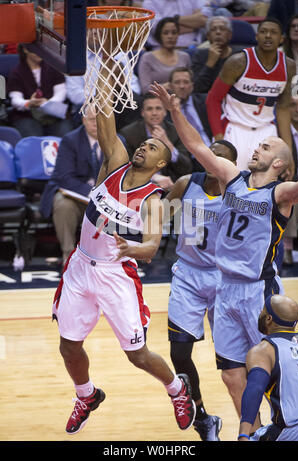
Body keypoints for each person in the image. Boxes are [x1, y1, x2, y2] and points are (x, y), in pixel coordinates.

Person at [52, 54, 196, 435]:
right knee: (68, 345)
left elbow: (150, 247)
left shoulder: (152, 199)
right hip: (81, 266)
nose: (142, 148)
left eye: (152, 148)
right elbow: (103, 113)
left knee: (137, 355)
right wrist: (103, 70)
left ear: (161, 163)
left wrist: (131, 249)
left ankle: (178, 390)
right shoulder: (114, 162)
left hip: (116, 273)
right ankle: (86, 394)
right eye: (143, 144)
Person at [150, 80, 298, 434]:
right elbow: (196, 145)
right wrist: (175, 110)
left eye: (264, 146)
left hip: (257, 290)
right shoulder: (233, 178)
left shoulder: (280, 194)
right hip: (224, 289)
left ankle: (291, 425)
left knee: (274, 364)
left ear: (278, 162)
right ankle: (256, 431)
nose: (256, 148)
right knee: (232, 373)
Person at [164, 139, 237, 441]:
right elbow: (156, 218)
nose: (212, 154)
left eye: (220, 154)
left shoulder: (238, 193)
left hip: (225, 279)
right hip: (188, 276)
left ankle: (265, 418)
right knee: (179, 353)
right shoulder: (185, 183)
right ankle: (204, 418)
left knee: (232, 360)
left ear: (231, 165)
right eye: (210, 149)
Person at [205, 18, 296, 175]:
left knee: (267, 187)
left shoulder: (289, 66)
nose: (268, 36)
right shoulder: (238, 62)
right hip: (235, 128)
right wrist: (220, 140)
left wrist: (289, 153)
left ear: (281, 39)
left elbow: (283, 108)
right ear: (256, 37)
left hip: (266, 130)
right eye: (263, 32)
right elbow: (212, 99)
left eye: (273, 32)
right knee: (228, 183)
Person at [39, 106, 103, 266]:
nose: (96, 124)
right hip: (76, 195)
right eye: (91, 120)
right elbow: (64, 177)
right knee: (63, 204)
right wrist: (91, 192)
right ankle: (68, 255)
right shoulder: (70, 140)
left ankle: (110, 256)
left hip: (104, 199)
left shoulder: (117, 140)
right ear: (83, 120)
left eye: (100, 120)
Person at [238, 294, 298, 441]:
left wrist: (243, 435)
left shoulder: (264, 350)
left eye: (263, 310)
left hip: (291, 431)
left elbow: (255, 390)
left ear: (268, 319)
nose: (260, 312)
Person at [119, 92, 193, 191]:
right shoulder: (128, 134)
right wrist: (153, 178)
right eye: (149, 109)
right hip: (137, 186)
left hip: (170, 188)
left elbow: (186, 168)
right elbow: (125, 168)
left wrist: (167, 144)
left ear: (165, 112)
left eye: (158, 108)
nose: (154, 113)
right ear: (142, 113)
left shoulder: (176, 132)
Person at [7, 44, 73, 138]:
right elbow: (16, 100)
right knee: (32, 135)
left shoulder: (53, 67)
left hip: (54, 114)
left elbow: (61, 93)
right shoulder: (17, 73)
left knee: (65, 133)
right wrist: (29, 103)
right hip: (27, 115)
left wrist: (46, 103)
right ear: (25, 49)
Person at [168, 66, 212, 171]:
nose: (182, 86)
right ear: (170, 86)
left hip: (212, 151)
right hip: (188, 159)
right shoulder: (164, 109)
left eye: (186, 82)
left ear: (192, 86)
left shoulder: (205, 101)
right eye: (177, 82)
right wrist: (174, 111)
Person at [137, 17, 191, 95]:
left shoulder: (185, 57)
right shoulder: (147, 58)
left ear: (178, 35)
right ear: (159, 36)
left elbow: (190, 84)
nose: (170, 36)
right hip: (157, 100)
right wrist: (164, 87)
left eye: (174, 32)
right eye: (166, 33)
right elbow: (145, 89)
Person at [142, 0, 212, 49]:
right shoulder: (150, 2)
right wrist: (194, 26)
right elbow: (159, 30)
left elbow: (204, 20)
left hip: (195, 48)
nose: (172, 33)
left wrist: (176, 19)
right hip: (161, 50)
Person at [191, 16, 234, 94]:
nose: (218, 32)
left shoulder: (240, 55)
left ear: (229, 35)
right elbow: (197, 88)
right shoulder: (200, 55)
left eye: (222, 29)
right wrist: (210, 63)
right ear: (208, 36)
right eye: (213, 29)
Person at [282, 95, 298, 265]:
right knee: (288, 194)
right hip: (292, 181)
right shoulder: (282, 133)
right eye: (293, 105)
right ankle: (286, 248)